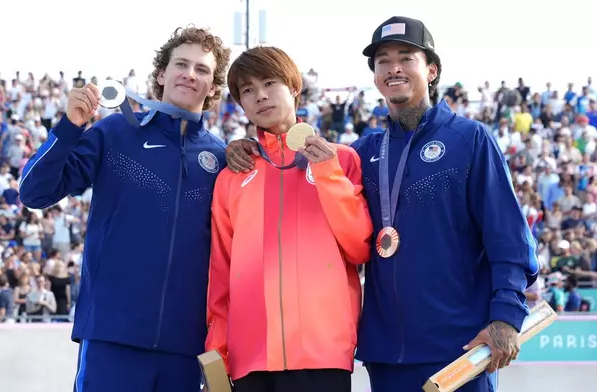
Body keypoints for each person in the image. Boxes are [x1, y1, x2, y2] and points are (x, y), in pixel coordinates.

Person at [224, 16, 539, 392]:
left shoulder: (470, 139)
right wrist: (246, 148)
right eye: (382, 61)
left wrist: (505, 316)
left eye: (406, 57)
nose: (393, 68)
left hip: (460, 346)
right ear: (374, 76)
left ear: (432, 70)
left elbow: (510, 239)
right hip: (387, 353)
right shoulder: (364, 153)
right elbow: (303, 171)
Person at [18, 26, 231, 392]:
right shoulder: (115, 132)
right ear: (161, 74)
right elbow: (34, 193)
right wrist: (70, 127)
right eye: (181, 64)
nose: (189, 74)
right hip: (111, 336)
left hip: (186, 347)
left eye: (202, 69)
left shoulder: (223, 158)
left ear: (213, 86)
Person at [205, 46, 373, 392]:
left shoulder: (341, 159)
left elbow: (359, 247)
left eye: (269, 82)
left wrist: (327, 174)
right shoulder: (232, 175)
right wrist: (216, 350)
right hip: (249, 357)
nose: (260, 96)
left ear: (294, 87)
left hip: (322, 354)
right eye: (247, 90)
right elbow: (221, 271)